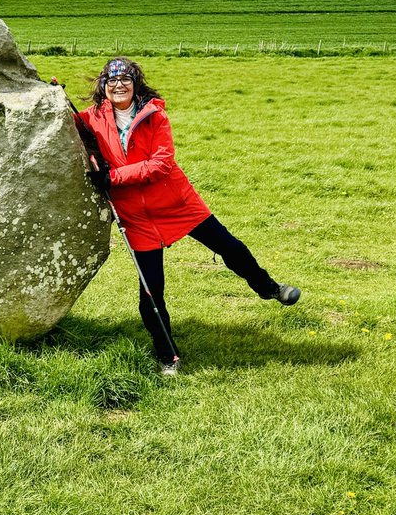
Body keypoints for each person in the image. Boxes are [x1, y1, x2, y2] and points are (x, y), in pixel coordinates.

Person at [73, 57, 299, 375]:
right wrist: (51, 94)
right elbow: (65, 123)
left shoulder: (154, 115)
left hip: (177, 203)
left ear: (136, 83)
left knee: (230, 247)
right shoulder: (93, 118)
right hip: (136, 217)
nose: (118, 85)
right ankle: (169, 356)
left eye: (125, 79)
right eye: (111, 81)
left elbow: (161, 163)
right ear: (103, 88)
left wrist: (113, 178)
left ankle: (269, 288)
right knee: (150, 293)